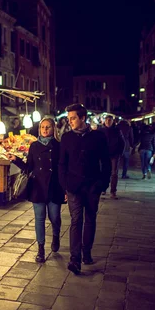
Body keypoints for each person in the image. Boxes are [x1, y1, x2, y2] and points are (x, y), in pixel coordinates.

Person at [59, 103, 111, 275]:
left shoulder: (98, 137)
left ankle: (86, 252)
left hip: (92, 186)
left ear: (83, 118)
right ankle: (75, 258)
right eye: (69, 119)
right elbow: (62, 164)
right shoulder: (66, 138)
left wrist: (102, 184)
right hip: (73, 187)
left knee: (90, 219)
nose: (70, 121)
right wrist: (65, 185)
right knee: (76, 220)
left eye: (73, 118)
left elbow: (106, 162)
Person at [8, 117, 64, 263]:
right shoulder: (34, 146)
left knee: (55, 217)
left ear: (53, 129)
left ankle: (56, 235)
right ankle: (41, 249)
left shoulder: (59, 146)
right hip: (38, 187)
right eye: (42, 127)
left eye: (48, 127)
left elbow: (63, 169)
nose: (45, 130)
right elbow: (29, 168)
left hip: (54, 186)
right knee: (39, 219)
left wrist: (65, 189)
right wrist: (16, 160)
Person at [100, 115, 125, 198]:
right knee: (104, 172)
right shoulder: (101, 131)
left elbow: (122, 142)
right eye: (106, 120)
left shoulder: (117, 130)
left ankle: (113, 191)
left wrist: (120, 153)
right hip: (104, 155)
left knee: (114, 173)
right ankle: (103, 188)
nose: (108, 122)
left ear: (112, 121)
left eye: (109, 120)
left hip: (115, 155)